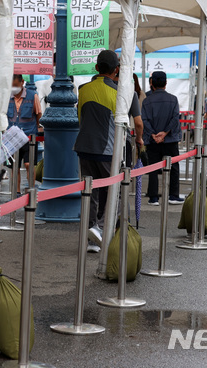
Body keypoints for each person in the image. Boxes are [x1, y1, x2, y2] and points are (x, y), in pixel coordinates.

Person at [74, 50, 143, 253]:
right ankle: (102, 230)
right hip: (109, 151)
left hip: (84, 148)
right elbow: (138, 123)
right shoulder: (125, 93)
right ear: (117, 70)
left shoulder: (83, 89)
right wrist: (139, 139)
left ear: (96, 68)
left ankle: (89, 235)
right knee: (116, 193)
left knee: (90, 193)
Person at [141, 71, 184, 206]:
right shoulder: (173, 99)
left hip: (152, 140)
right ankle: (173, 195)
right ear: (166, 83)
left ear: (152, 83)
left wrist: (154, 134)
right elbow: (175, 118)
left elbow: (145, 120)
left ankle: (153, 197)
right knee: (174, 166)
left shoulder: (147, 101)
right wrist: (164, 133)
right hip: (170, 139)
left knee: (153, 167)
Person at [8, 74, 43, 193]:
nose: (13, 88)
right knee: (14, 166)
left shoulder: (33, 96)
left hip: (29, 136)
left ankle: (31, 190)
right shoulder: (7, 96)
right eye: (11, 86)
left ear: (22, 82)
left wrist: (38, 127)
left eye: (16, 85)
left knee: (29, 164)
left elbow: (38, 113)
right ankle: (16, 192)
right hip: (11, 137)